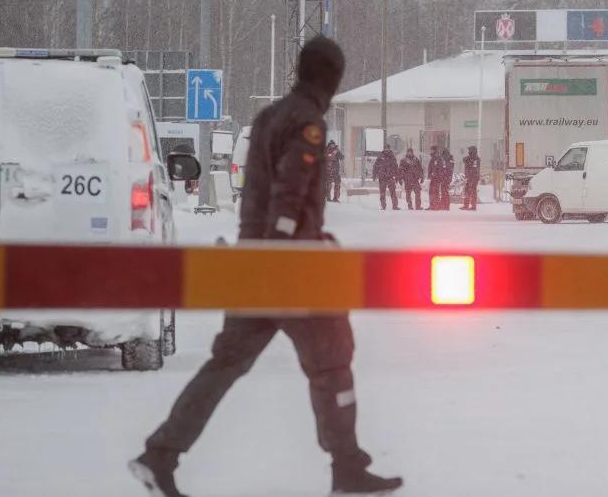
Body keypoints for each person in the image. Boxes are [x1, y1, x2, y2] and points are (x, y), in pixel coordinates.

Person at [129, 36, 403, 497]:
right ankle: (347, 467)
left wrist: (268, 249)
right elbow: (289, 193)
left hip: (255, 262)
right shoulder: (308, 123)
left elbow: (260, 192)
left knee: (225, 364)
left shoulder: (267, 117)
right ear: (330, 78)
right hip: (289, 268)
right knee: (333, 361)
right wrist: (287, 246)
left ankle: (160, 455)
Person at [461, 146, 480, 211]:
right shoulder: (470, 158)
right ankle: (466, 205)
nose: (468, 152)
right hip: (470, 177)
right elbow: (464, 160)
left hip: (473, 177)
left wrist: (471, 176)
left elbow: (474, 168)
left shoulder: (475, 159)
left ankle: (473, 206)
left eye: (469, 150)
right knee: (467, 190)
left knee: (473, 191)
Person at [426, 146, 443, 211]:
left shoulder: (438, 158)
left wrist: (436, 174)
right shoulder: (432, 158)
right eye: (431, 150)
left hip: (437, 178)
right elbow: (430, 167)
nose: (431, 151)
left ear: (435, 151)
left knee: (435, 192)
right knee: (431, 192)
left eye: (432, 150)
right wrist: (430, 175)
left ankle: (436, 205)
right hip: (433, 178)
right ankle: (432, 205)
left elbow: (439, 168)